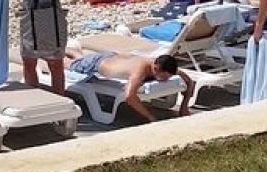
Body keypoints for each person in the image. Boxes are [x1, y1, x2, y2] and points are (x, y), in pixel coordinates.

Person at [63, 48, 193, 122]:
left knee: (80, 59)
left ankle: (71, 49)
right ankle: (56, 51)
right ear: (155, 68)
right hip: (98, 64)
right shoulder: (139, 71)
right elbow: (130, 96)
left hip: (112, 57)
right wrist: (150, 117)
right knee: (68, 64)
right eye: (164, 77)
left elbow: (188, 80)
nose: (166, 80)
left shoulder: (163, 66)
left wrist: (184, 106)